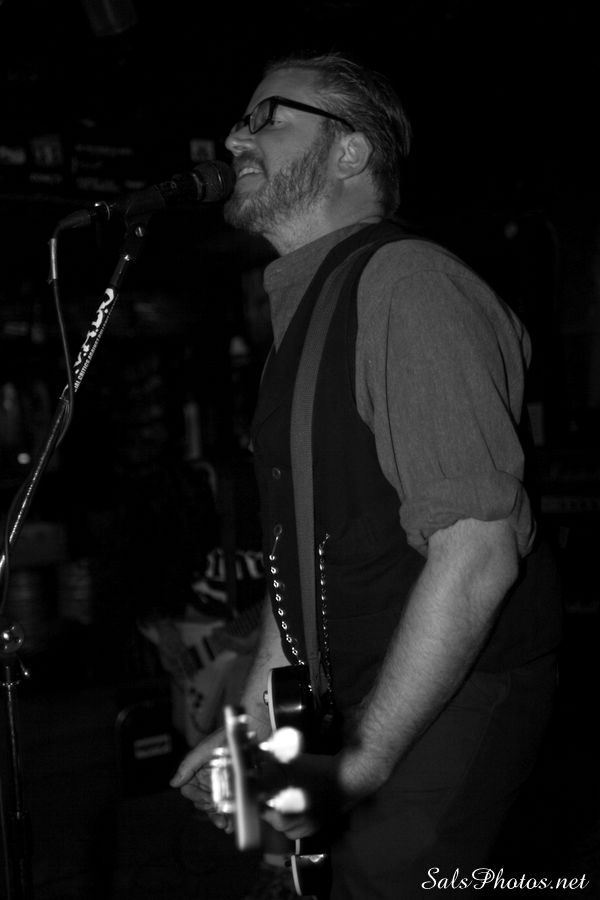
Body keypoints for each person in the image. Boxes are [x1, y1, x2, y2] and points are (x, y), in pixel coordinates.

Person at [170, 51, 563, 898]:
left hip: (450, 695)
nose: (235, 137)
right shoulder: (310, 311)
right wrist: (251, 732)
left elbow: (477, 552)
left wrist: (364, 761)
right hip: (354, 693)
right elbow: (300, 562)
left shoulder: (409, 284)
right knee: (293, 880)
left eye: (268, 115)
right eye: (241, 118)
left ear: (351, 151)